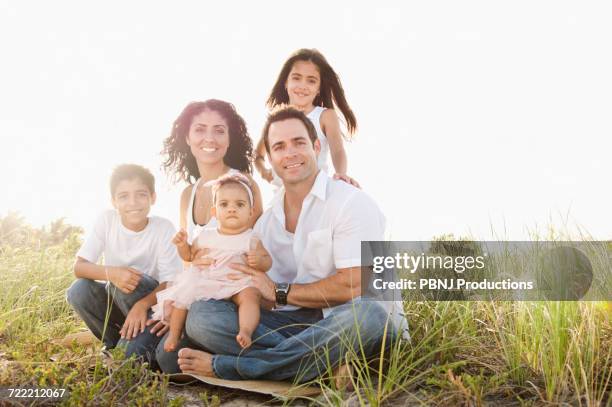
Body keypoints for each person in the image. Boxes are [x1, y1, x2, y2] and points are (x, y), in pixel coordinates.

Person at [156, 106, 408, 382]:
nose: (290, 153)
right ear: (271, 158)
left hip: (351, 320)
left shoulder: (351, 202)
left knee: (367, 316)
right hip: (296, 325)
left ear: (315, 146)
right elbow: (259, 294)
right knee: (201, 319)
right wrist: (210, 272)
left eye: (299, 142)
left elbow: (353, 284)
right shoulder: (267, 222)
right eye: (279, 146)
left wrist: (278, 292)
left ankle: (230, 366)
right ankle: (323, 363)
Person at [66, 164, 182, 364]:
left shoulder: (163, 228)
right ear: (114, 201)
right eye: (123, 196)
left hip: (150, 308)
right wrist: (113, 273)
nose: (133, 202)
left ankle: (137, 343)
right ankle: (114, 341)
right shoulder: (106, 220)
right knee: (79, 290)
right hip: (118, 300)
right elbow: (79, 268)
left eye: (141, 194)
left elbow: (171, 283)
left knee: (127, 360)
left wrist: (141, 304)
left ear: (152, 197)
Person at [152, 173, 272, 352]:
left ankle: (245, 330)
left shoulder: (251, 239)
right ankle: (175, 334)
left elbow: (267, 261)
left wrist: (259, 261)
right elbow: (190, 256)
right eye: (224, 204)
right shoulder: (206, 235)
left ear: (250, 212)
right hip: (208, 280)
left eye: (239, 204)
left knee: (250, 296)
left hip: (238, 281)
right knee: (183, 298)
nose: (232, 209)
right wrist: (182, 245)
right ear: (215, 212)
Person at [254, 48, 360, 188]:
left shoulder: (324, 116)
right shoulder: (276, 120)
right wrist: (265, 173)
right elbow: (258, 155)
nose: (303, 86)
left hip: (315, 191)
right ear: (286, 82)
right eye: (296, 78)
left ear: (318, 88)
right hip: (283, 195)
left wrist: (341, 173)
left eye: (311, 81)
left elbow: (337, 150)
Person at [161, 99, 263, 243]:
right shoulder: (187, 195)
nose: (209, 138)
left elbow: (254, 246)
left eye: (219, 131)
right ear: (187, 138)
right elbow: (185, 258)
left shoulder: (243, 183)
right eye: (200, 129)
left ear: (229, 140)